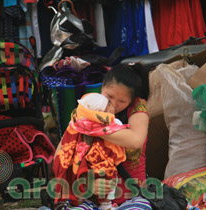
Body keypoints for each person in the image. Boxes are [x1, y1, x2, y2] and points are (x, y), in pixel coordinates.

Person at [53, 62, 151, 209]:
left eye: (122, 101)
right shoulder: (87, 108)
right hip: (91, 197)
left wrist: (90, 127)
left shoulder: (137, 108)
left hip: (131, 196)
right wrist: (86, 184)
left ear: (131, 100)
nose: (114, 104)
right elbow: (60, 156)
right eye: (109, 96)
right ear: (102, 86)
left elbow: (135, 140)